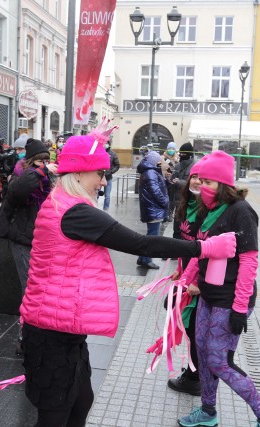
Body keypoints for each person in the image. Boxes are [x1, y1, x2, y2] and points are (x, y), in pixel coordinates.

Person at [20, 132, 237, 427]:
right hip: (52, 332)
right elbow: (142, 244)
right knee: (56, 415)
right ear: (80, 172)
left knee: (81, 401)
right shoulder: (76, 212)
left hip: (56, 325)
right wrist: (205, 247)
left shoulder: (60, 201)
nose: (104, 182)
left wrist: (92, 141)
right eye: (100, 173)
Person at [177, 151, 260, 427]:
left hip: (231, 299)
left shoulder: (241, 211)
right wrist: (182, 287)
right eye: (201, 181)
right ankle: (208, 411)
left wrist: (239, 307)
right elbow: (200, 252)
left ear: (224, 185)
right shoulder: (208, 210)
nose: (202, 187)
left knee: (219, 360)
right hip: (207, 296)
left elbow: (249, 260)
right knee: (201, 351)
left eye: (209, 182)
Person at [167, 159, 206, 396]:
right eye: (194, 176)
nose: (197, 181)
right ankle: (193, 374)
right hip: (186, 275)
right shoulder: (185, 205)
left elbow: (207, 249)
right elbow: (183, 244)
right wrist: (180, 270)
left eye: (203, 179)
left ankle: (195, 379)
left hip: (200, 281)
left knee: (194, 328)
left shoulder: (210, 211)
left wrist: (197, 281)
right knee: (188, 324)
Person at [0, 138, 56, 292]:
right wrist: (41, 171)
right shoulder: (19, 174)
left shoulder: (46, 177)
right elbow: (20, 188)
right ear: (30, 161)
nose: (44, 163)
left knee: (42, 283)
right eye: (39, 161)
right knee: (30, 285)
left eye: (46, 160)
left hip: (42, 236)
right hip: (22, 236)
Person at [137, 150, 169, 269]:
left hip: (152, 209)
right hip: (153, 209)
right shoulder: (151, 173)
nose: (161, 163)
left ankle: (142, 257)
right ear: (154, 162)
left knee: (150, 234)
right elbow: (155, 191)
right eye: (159, 161)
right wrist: (165, 202)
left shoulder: (151, 172)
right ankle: (146, 259)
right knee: (152, 237)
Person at [170, 142, 196, 237]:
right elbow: (172, 178)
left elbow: (193, 184)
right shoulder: (179, 165)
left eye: (183, 153)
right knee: (176, 229)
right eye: (180, 153)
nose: (181, 155)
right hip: (177, 202)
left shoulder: (194, 166)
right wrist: (170, 177)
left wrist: (179, 182)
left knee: (185, 229)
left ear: (189, 154)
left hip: (187, 202)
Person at [102, 139, 120, 212]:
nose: (105, 144)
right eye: (104, 143)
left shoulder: (112, 154)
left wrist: (111, 172)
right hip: (98, 177)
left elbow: (117, 165)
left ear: (109, 144)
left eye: (106, 143)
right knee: (95, 195)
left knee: (107, 196)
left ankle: (105, 210)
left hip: (108, 177)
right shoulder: (99, 152)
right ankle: (95, 209)